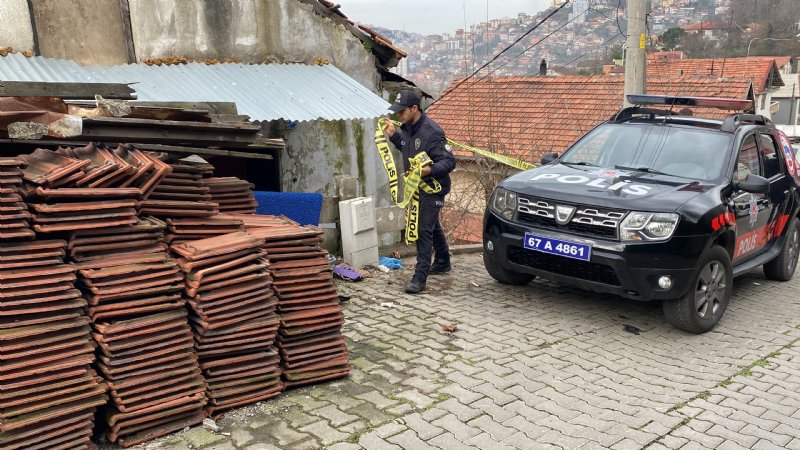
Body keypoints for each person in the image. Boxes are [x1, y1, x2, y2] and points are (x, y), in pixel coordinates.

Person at [382, 89, 456, 294]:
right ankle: (443, 261)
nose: (398, 116)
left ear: (414, 108)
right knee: (431, 225)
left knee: (423, 229)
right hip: (416, 187)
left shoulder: (433, 132)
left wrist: (428, 170)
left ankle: (419, 277)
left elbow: (449, 162)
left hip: (434, 187)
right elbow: (407, 147)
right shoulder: (406, 128)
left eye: (401, 111)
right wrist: (393, 136)